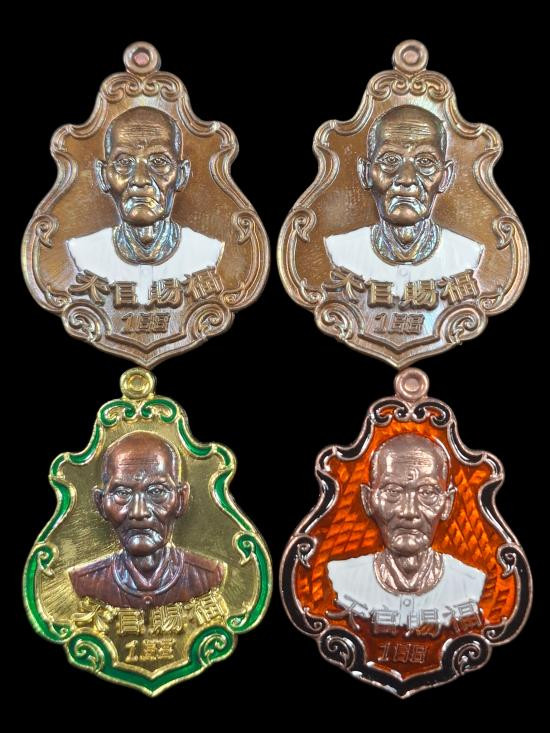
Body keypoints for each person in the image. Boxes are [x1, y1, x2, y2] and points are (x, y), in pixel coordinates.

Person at [327, 434, 486, 629]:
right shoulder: (340, 578)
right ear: (368, 499)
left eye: (427, 493)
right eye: (393, 491)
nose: (409, 511)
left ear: (448, 503)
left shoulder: (470, 583)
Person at [67, 107, 223, 304]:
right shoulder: (83, 252)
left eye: (158, 161)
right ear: (103, 175)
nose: (140, 180)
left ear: (182, 174)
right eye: (124, 162)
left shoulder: (206, 251)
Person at [324, 105, 483, 291]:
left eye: (425, 162)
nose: (406, 179)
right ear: (366, 172)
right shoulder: (340, 250)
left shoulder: (467, 255)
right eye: (390, 160)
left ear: (445, 176)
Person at [69, 431, 225, 608]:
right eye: (122, 493)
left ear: (181, 499)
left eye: (156, 491)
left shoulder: (209, 576)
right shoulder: (85, 581)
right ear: (100, 503)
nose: (139, 512)